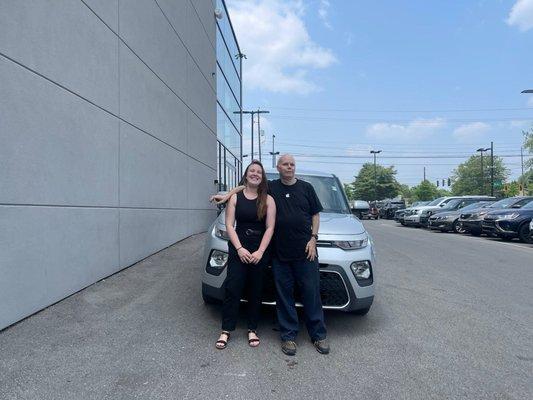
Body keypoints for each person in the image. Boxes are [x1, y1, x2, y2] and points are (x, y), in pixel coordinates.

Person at [212, 155, 329, 355]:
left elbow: (315, 215)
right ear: (278, 167)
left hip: (305, 251)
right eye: (285, 164)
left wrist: (313, 238)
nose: (289, 167)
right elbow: (246, 188)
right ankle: (288, 337)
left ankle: (318, 335)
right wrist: (225, 197)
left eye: (292, 164)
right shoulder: (271, 187)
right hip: (279, 252)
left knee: (311, 293)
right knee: (284, 297)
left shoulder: (307, 188)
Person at [215, 160, 276, 350]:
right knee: (233, 288)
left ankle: (252, 329)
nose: (255, 174)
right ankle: (226, 330)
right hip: (238, 247)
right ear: (246, 174)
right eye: (252, 171)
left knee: (255, 290)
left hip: (259, 250)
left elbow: (270, 227)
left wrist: (260, 251)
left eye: (259, 171)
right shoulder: (235, 197)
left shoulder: (268, 199)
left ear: (262, 176)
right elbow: (229, 225)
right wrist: (240, 249)